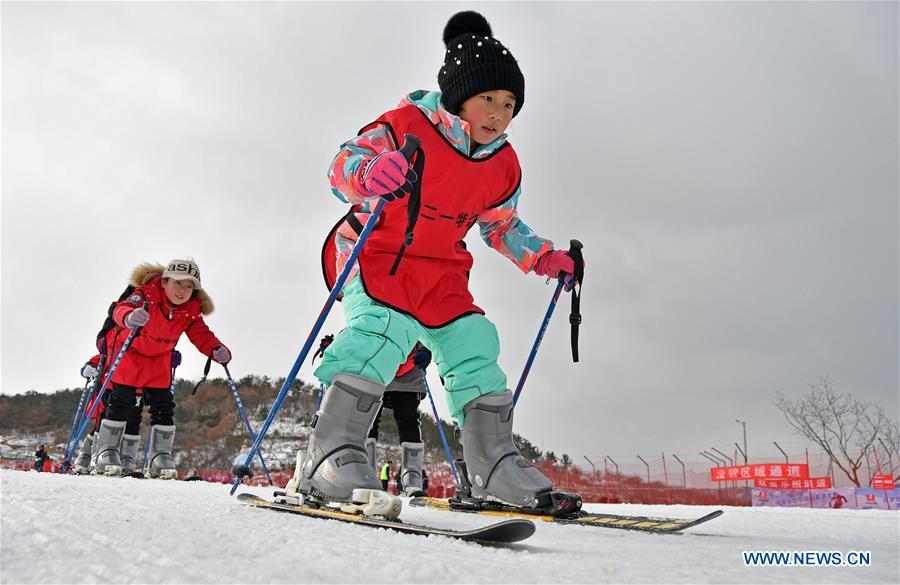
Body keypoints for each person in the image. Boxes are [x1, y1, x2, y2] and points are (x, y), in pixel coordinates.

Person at [283, 11, 583, 516]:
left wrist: (544, 257)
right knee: (380, 333)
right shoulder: (405, 126)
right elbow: (341, 168)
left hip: (440, 269)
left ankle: (492, 464)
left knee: (473, 342)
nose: (498, 113)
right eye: (488, 98)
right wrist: (371, 171)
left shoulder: (502, 163)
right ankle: (328, 451)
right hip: (378, 253)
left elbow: (502, 226)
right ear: (458, 94)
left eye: (509, 104)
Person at [92, 258, 231, 479]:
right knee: (121, 401)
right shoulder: (146, 294)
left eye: (189, 286)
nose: (183, 291)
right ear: (164, 282)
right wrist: (129, 316)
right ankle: (106, 451)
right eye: (178, 283)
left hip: (159, 358)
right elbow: (122, 308)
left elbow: (201, 334)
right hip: (131, 352)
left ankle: (160, 457)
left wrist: (216, 349)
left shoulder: (190, 310)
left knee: (163, 406)